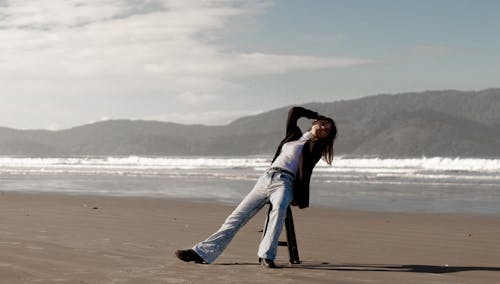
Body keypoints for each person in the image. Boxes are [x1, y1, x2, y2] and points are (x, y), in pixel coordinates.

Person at [175, 106, 337, 268]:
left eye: (327, 130)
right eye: (323, 124)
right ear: (315, 122)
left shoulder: (316, 146)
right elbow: (294, 112)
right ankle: (201, 252)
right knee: (236, 217)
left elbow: (314, 143)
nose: (324, 128)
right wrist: (317, 115)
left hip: (285, 182)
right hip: (265, 179)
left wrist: (318, 127)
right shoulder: (293, 136)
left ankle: (267, 256)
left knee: (279, 209)